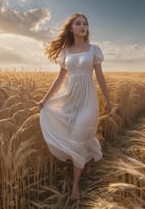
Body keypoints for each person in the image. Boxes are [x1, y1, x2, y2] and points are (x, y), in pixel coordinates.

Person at [39, 13, 112, 200]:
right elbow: (60, 78)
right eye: (78, 23)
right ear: (71, 29)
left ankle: (75, 186)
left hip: (88, 99)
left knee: (81, 133)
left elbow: (100, 76)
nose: (83, 26)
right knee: (74, 137)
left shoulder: (94, 49)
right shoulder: (65, 53)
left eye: (85, 24)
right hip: (69, 98)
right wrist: (45, 99)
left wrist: (108, 99)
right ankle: (85, 160)